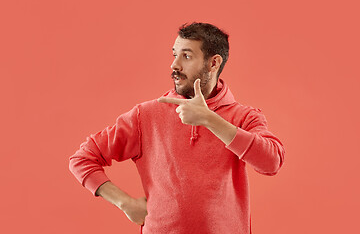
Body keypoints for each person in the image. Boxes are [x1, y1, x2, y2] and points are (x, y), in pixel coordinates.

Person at [69, 22, 285, 234]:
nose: (174, 65)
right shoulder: (146, 115)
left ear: (213, 63)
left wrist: (210, 119)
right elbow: (82, 158)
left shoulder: (244, 116)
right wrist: (125, 203)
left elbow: (271, 162)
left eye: (187, 56)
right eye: (175, 54)